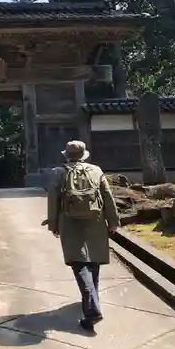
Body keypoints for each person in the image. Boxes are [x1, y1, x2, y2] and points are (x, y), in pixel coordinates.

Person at [46, 140, 119, 332]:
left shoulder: (58, 172)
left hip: (69, 222)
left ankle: (92, 309)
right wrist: (113, 221)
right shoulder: (96, 170)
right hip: (95, 219)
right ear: (84, 154)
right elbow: (107, 196)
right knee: (93, 259)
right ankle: (92, 300)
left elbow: (53, 200)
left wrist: (53, 224)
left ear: (67, 155)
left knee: (78, 262)